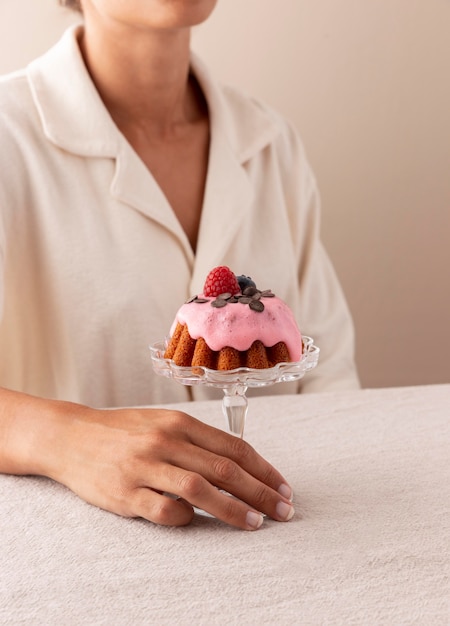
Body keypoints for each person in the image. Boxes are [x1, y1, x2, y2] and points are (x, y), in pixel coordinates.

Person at [0, 0, 360, 530]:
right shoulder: (9, 140)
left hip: (294, 544)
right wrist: (66, 436)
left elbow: (332, 378)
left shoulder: (269, 143)